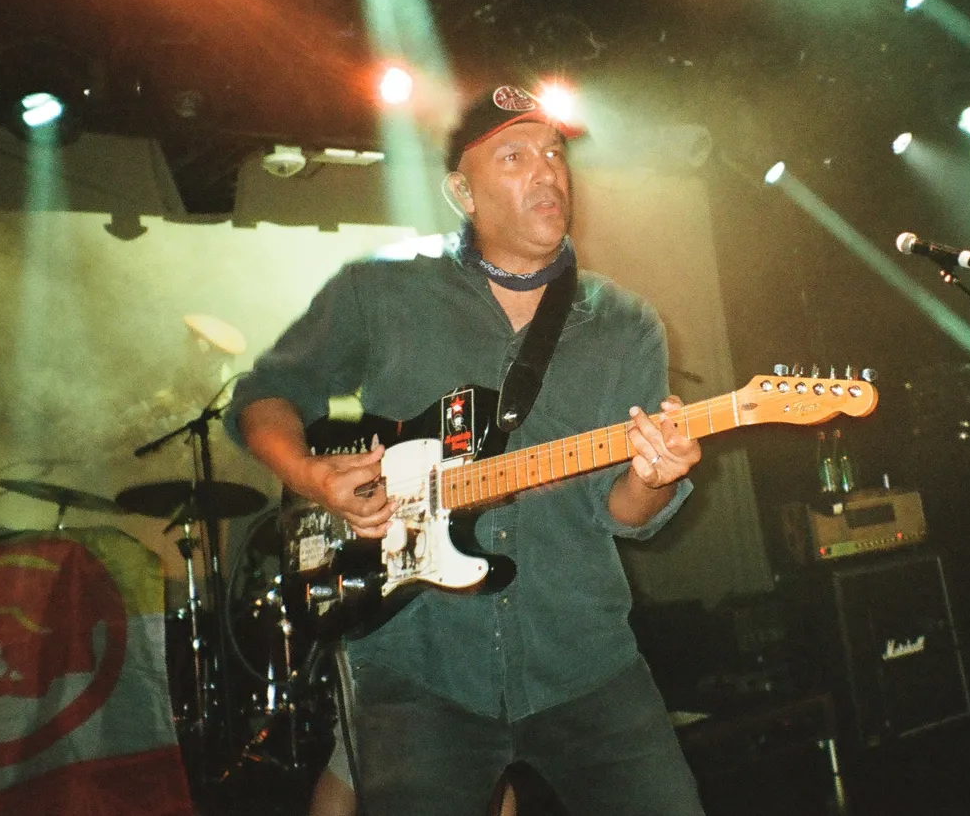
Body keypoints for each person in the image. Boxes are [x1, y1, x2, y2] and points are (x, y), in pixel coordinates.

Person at [226, 85, 707, 816]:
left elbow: (626, 510)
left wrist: (656, 476)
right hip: (418, 667)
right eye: (514, 156)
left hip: (582, 658)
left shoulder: (626, 322)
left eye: (554, 153)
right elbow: (267, 394)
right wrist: (312, 474)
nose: (547, 172)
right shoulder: (381, 291)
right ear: (462, 189)